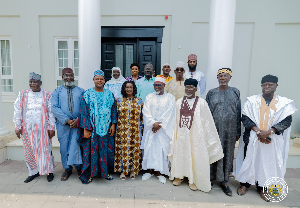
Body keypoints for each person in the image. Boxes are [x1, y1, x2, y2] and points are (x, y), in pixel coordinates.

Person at [234, 75, 297, 202]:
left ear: (276, 86)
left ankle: (262, 187)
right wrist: (258, 131)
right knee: (249, 160)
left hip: (272, 140)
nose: (267, 87)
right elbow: (245, 118)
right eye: (264, 85)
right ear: (261, 86)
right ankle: (245, 184)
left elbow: (286, 120)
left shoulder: (283, 103)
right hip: (253, 137)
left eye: (270, 84)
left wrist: (269, 132)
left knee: (266, 164)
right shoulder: (252, 101)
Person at [169, 78, 223, 192]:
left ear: (196, 89)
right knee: (180, 154)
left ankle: (192, 180)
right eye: (187, 87)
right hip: (181, 136)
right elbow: (174, 120)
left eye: (191, 87)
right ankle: (179, 176)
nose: (188, 89)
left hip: (195, 136)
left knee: (194, 156)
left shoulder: (202, 103)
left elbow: (207, 121)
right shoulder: (178, 102)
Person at [13, 72, 55, 183]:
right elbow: (17, 110)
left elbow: (51, 112)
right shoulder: (23, 94)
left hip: (43, 129)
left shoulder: (47, 94)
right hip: (27, 129)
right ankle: (33, 172)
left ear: (40, 83)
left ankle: (49, 171)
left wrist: (51, 127)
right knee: (29, 151)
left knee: (45, 150)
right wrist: (17, 126)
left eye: (35, 82)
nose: (33, 84)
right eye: (31, 82)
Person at [77, 70, 117, 184]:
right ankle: (91, 174)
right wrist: (85, 128)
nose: (99, 81)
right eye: (97, 79)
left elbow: (113, 110)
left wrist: (113, 124)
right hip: (92, 130)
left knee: (106, 152)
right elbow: (83, 112)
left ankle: (105, 173)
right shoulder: (87, 94)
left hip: (106, 129)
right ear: (93, 80)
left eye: (101, 79)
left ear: (104, 81)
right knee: (91, 153)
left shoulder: (109, 94)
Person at [206, 68, 241, 196]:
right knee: (213, 151)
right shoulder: (211, 93)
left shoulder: (235, 92)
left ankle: (225, 181)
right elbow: (207, 113)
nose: (222, 78)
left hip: (230, 130)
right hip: (214, 129)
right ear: (217, 78)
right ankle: (210, 179)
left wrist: (238, 130)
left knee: (228, 154)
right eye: (220, 76)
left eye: (225, 76)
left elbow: (238, 112)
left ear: (230, 78)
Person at [51, 68, 85, 181]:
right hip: (63, 125)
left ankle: (80, 168)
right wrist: (66, 120)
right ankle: (67, 169)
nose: (68, 78)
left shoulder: (81, 91)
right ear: (62, 78)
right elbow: (54, 108)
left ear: (74, 77)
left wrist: (78, 120)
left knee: (77, 146)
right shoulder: (57, 92)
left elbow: (85, 107)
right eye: (66, 76)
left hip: (78, 124)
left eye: (70, 75)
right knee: (64, 147)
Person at [141, 77, 176, 184]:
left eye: (159, 85)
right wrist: (152, 123)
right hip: (151, 128)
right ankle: (149, 171)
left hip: (163, 130)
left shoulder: (170, 98)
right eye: (155, 85)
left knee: (161, 150)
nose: (157, 87)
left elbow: (170, 113)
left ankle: (159, 172)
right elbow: (145, 111)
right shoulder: (149, 97)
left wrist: (159, 125)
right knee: (150, 148)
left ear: (164, 86)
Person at [114, 81, 143, 180]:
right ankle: (123, 170)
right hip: (122, 129)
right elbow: (115, 115)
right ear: (124, 89)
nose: (129, 89)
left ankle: (132, 170)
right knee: (124, 149)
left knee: (134, 149)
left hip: (135, 129)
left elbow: (142, 116)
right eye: (127, 87)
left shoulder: (139, 101)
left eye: (131, 87)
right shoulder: (119, 101)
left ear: (133, 88)